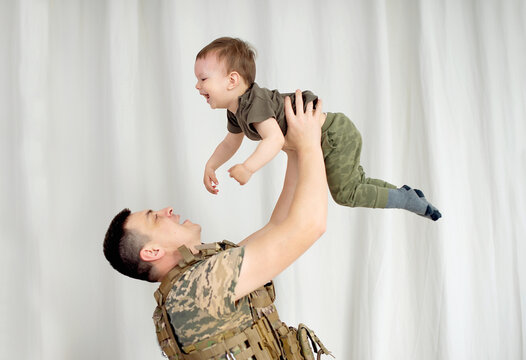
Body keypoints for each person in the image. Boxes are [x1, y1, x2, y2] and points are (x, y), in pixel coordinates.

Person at [103, 92, 332, 359]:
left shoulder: (190, 287)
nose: (167, 211)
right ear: (152, 252)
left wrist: (293, 149)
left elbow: (279, 225)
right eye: (155, 217)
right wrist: (309, 145)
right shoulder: (200, 286)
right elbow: (310, 225)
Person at [196, 37, 441, 221]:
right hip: (333, 134)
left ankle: (406, 200)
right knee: (357, 182)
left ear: (232, 80)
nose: (197, 86)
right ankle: (406, 194)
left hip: (332, 135)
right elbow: (231, 142)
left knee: (347, 194)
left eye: (203, 79)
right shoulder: (236, 110)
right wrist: (211, 164)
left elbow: (274, 140)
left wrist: (248, 168)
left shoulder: (253, 103)